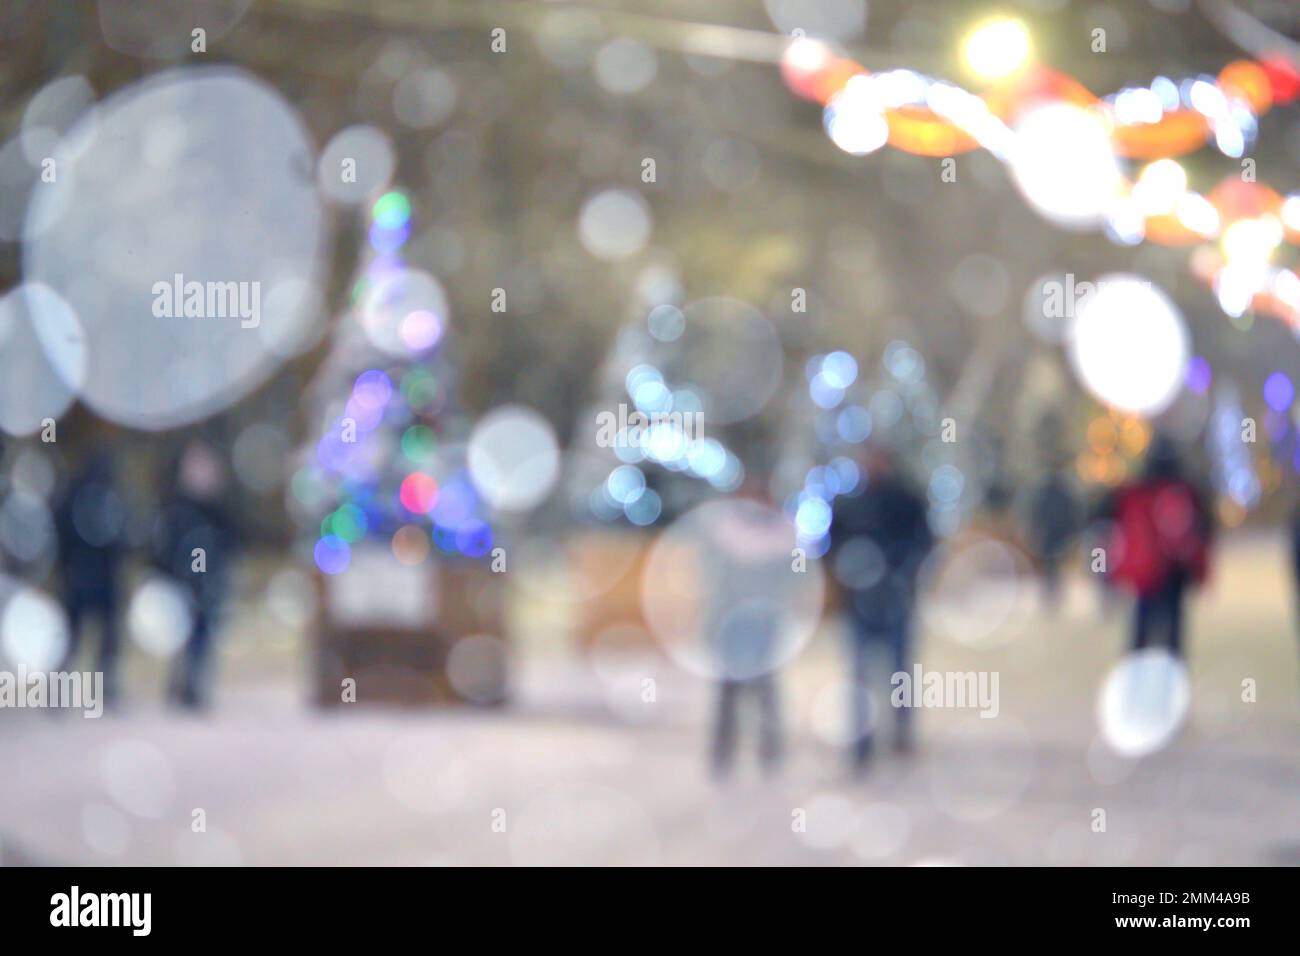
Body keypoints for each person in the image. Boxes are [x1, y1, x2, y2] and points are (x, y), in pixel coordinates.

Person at [829, 444, 933, 772]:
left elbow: (923, 542)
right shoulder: (849, 503)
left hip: (895, 597)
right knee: (861, 671)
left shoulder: (907, 500)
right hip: (860, 601)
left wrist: (901, 570)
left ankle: (901, 732)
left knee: (899, 671)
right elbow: (832, 544)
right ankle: (862, 739)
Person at [706, 479, 789, 780]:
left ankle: (769, 752)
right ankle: (724, 754)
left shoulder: (780, 535)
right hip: (733, 622)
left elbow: (790, 579)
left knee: (764, 689)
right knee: (729, 692)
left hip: (762, 622)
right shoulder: (725, 531)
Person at [1106, 437, 1212, 658]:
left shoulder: (1138, 491)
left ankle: (1138, 663)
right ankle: (1172, 663)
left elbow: (1114, 520)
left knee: (1143, 622)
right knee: (1173, 623)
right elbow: (1204, 528)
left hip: (1147, 568)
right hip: (1176, 568)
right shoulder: (1185, 490)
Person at [151, 440, 237, 709]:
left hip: (207, 585)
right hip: (180, 584)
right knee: (181, 635)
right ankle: (179, 684)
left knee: (203, 637)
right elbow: (163, 546)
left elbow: (228, 544)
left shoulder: (217, 511)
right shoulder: (175, 510)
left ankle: (193, 686)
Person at [54, 448, 128, 703]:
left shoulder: (104, 497)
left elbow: (120, 538)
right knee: (74, 637)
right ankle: (65, 692)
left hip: (95, 576)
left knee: (98, 638)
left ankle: (102, 689)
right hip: (86, 576)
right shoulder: (86, 497)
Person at [1024, 469, 1079, 609]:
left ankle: (1051, 592)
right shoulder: (1063, 495)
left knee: (1051, 564)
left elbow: (1037, 514)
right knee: (1054, 563)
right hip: (1056, 533)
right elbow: (1071, 514)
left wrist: (1035, 531)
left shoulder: (1045, 495)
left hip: (1050, 533)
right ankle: (1052, 592)